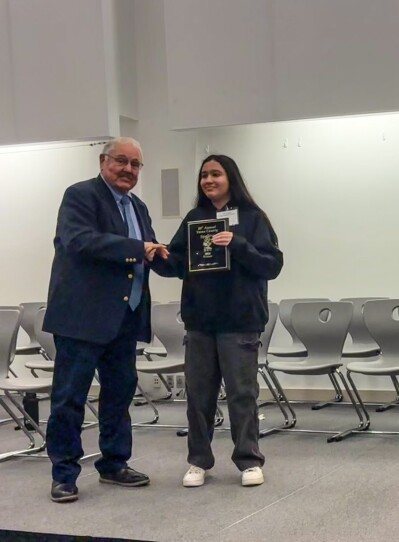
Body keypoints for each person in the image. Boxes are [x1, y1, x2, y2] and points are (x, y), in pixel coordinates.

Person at [43, 137, 168, 503]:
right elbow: (79, 241)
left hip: (124, 319)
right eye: (121, 161)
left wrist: (183, 258)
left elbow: (149, 251)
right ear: (103, 161)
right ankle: (64, 473)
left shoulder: (138, 207)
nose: (128, 170)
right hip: (82, 319)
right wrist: (138, 249)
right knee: (69, 399)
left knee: (119, 395)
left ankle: (114, 464)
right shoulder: (80, 196)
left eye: (135, 165)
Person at [151, 154, 283, 488]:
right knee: (198, 395)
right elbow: (179, 263)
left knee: (242, 394)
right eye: (204, 175)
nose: (209, 180)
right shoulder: (196, 218)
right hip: (200, 323)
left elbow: (272, 265)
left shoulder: (253, 218)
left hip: (240, 322)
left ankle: (249, 460)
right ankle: (198, 461)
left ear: (231, 178)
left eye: (216, 174)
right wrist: (157, 257)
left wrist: (237, 244)